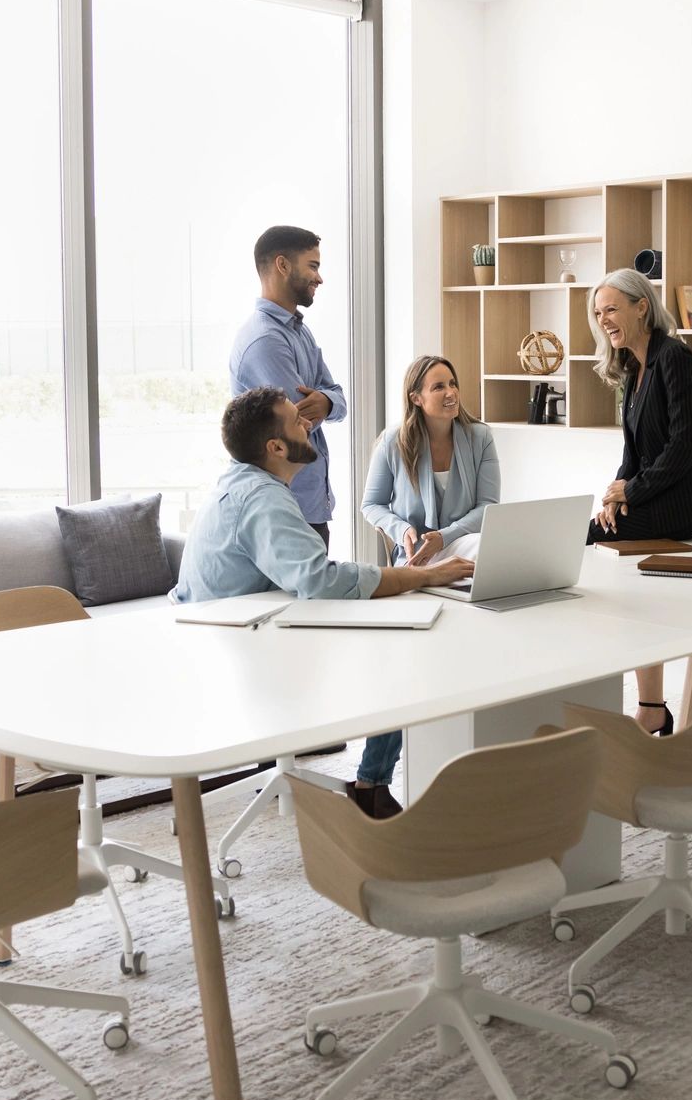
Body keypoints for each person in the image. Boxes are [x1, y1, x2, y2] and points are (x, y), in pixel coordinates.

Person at [173, 387, 472, 818]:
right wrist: (423, 576)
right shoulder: (263, 498)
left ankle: (372, 783)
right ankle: (372, 785)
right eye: (297, 421)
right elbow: (319, 579)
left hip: (231, 634)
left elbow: (304, 575)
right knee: (399, 658)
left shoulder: (243, 481)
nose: (309, 424)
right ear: (276, 447)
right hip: (242, 650)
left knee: (387, 631)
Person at [586, 267, 692, 735]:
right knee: (607, 547)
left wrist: (631, 491)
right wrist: (615, 494)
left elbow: (684, 446)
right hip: (654, 493)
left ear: (641, 307)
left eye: (612, 309)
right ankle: (652, 707)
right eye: (598, 313)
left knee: (584, 539)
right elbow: (632, 453)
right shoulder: (633, 369)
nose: (604, 320)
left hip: (686, 500)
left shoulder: (675, 358)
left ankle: (591, 678)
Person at [230, 224, 345, 543]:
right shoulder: (266, 340)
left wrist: (328, 401)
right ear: (282, 265)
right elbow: (299, 423)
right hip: (283, 512)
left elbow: (337, 398)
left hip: (308, 508)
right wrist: (324, 402)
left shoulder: (299, 331)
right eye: (313, 266)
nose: (319, 278)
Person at [362, 355, 500, 567]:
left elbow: (487, 506)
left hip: (465, 546)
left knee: (494, 547)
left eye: (452, 384)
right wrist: (402, 530)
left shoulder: (480, 437)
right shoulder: (392, 442)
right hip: (416, 555)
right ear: (416, 398)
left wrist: (445, 537)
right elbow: (372, 505)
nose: (451, 392)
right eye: (438, 387)